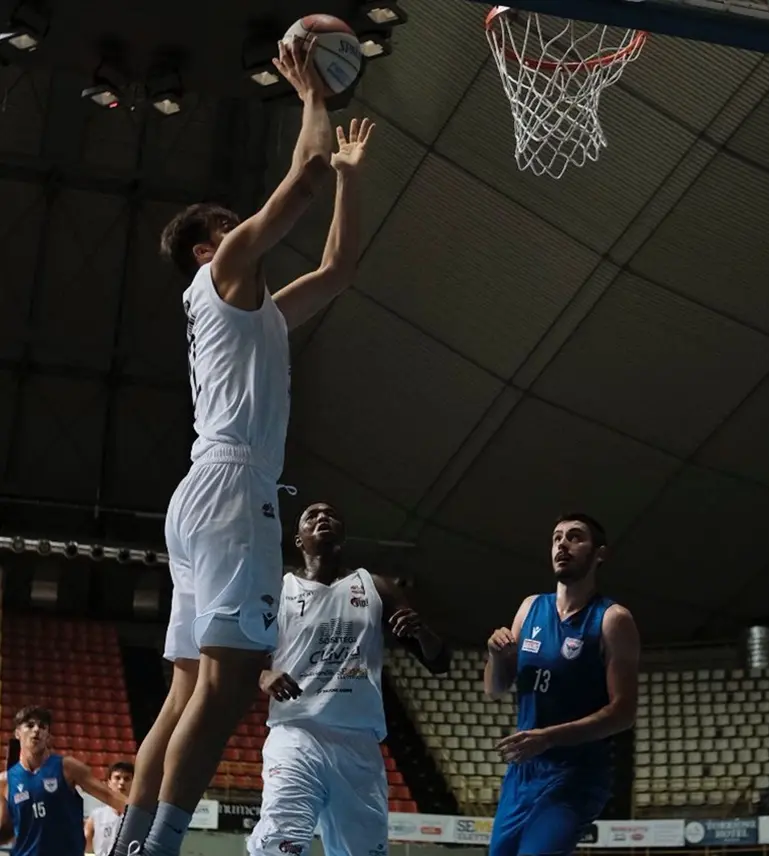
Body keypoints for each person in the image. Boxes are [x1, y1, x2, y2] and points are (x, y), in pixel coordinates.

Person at [109, 37, 376, 856]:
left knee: (185, 691)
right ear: (207, 248)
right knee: (225, 690)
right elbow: (299, 180)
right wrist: (312, 95)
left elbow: (338, 268)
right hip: (232, 489)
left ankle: (130, 845)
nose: (244, 230)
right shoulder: (223, 269)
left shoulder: (256, 315)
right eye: (230, 225)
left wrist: (350, 179)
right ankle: (160, 847)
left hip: (204, 490)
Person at [247, 501, 450, 856]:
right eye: (312, 515)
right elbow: (247, 657)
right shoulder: (279, 590)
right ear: (298, 539)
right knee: (280, 842)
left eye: (331, 514)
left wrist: (422, 632)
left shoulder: (376, 586)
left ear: (343, 535)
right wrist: (263, 674)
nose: (322, 517)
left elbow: (439, 662)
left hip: (358, 743)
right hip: (297, 734)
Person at [484, 513, 640, 856]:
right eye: (556, 538)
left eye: (575, 537)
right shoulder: (529, 608)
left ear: (599, 554)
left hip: (577, 771)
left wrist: (550, 737)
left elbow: (624, 713)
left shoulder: (613, 619)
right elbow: (495, 688)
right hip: (523, 772)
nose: (562, 544)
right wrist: (496, 656)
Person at [0, 706, 126, 856]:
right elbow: (6, 830)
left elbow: (110, 796)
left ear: (48, 736)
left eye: (42, 726)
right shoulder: (5, 781)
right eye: (30, 725)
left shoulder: (67, 767)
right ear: (17, 733)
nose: (36, 730)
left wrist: (145, 818)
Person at [85, 762, 135, 856]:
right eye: (117, 778)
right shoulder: (97, 815)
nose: (122, 782)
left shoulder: (138, 817)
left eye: (127, 779)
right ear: (109, 782)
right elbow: (87, 846)